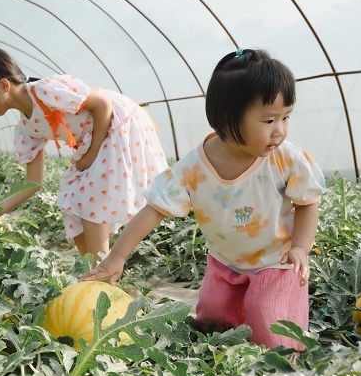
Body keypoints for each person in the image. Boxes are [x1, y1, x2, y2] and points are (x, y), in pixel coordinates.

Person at [82, 49, 325, 350]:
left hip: (276, 262)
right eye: (269, 120)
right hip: (224, 263)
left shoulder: (285, 158)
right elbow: (155, 210)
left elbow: (307, 202)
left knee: (271, 333)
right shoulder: (194, 167)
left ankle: (279, 364)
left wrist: (301, 247)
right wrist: (117, 255)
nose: (280, 130)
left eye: (285, 118)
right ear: (228, 118)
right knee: (212, 323)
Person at [0, 48, 168, 262]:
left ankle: (105, 275)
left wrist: (92, 152)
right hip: (91, 141)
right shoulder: (26, 128)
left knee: (91, 203)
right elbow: (33, 183)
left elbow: (102, 104)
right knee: (71, 198)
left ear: (4, 85)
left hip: (114, 124)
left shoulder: (43, 92)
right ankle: (91, 271)